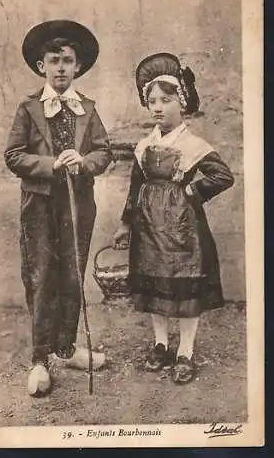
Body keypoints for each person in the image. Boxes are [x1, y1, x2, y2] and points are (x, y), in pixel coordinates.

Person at [4, 20, 113, 397]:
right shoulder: (29, 108)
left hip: (78, 204)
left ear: (78, 66)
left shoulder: (88, 109)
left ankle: (65, 349)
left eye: (68, 61)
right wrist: (50, 165)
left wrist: (84, 162)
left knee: (71, 274)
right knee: (41, 275)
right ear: (41, 66)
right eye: (54, 61)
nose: (62, 68)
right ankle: (39, 360)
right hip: (39, 204)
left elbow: (104, 151)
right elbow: (13, 155)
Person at [113, 52, 234, 384]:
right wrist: (126, 223)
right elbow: (136, 186)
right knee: (154, 283)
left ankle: (186, 351)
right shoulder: (143, 147)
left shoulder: (194, 145)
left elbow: (223, 176)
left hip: (183, 229)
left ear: (181, 103)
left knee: (184, 287)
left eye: (166, 100)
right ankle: (161, 344)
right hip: (148, 226)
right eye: (152, 100)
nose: (157, 107)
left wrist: (191, 193)